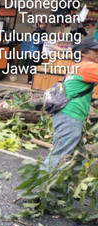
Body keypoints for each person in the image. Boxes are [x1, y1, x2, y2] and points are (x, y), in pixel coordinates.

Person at [44, 37, 98, 171]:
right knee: (59, 157)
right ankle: (39, 190)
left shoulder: (76, 67)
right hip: (70, 117)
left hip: (67, 116)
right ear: (83, 53)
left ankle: (68, 188)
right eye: (95, 51)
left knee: (78, 157)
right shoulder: (87, 66)